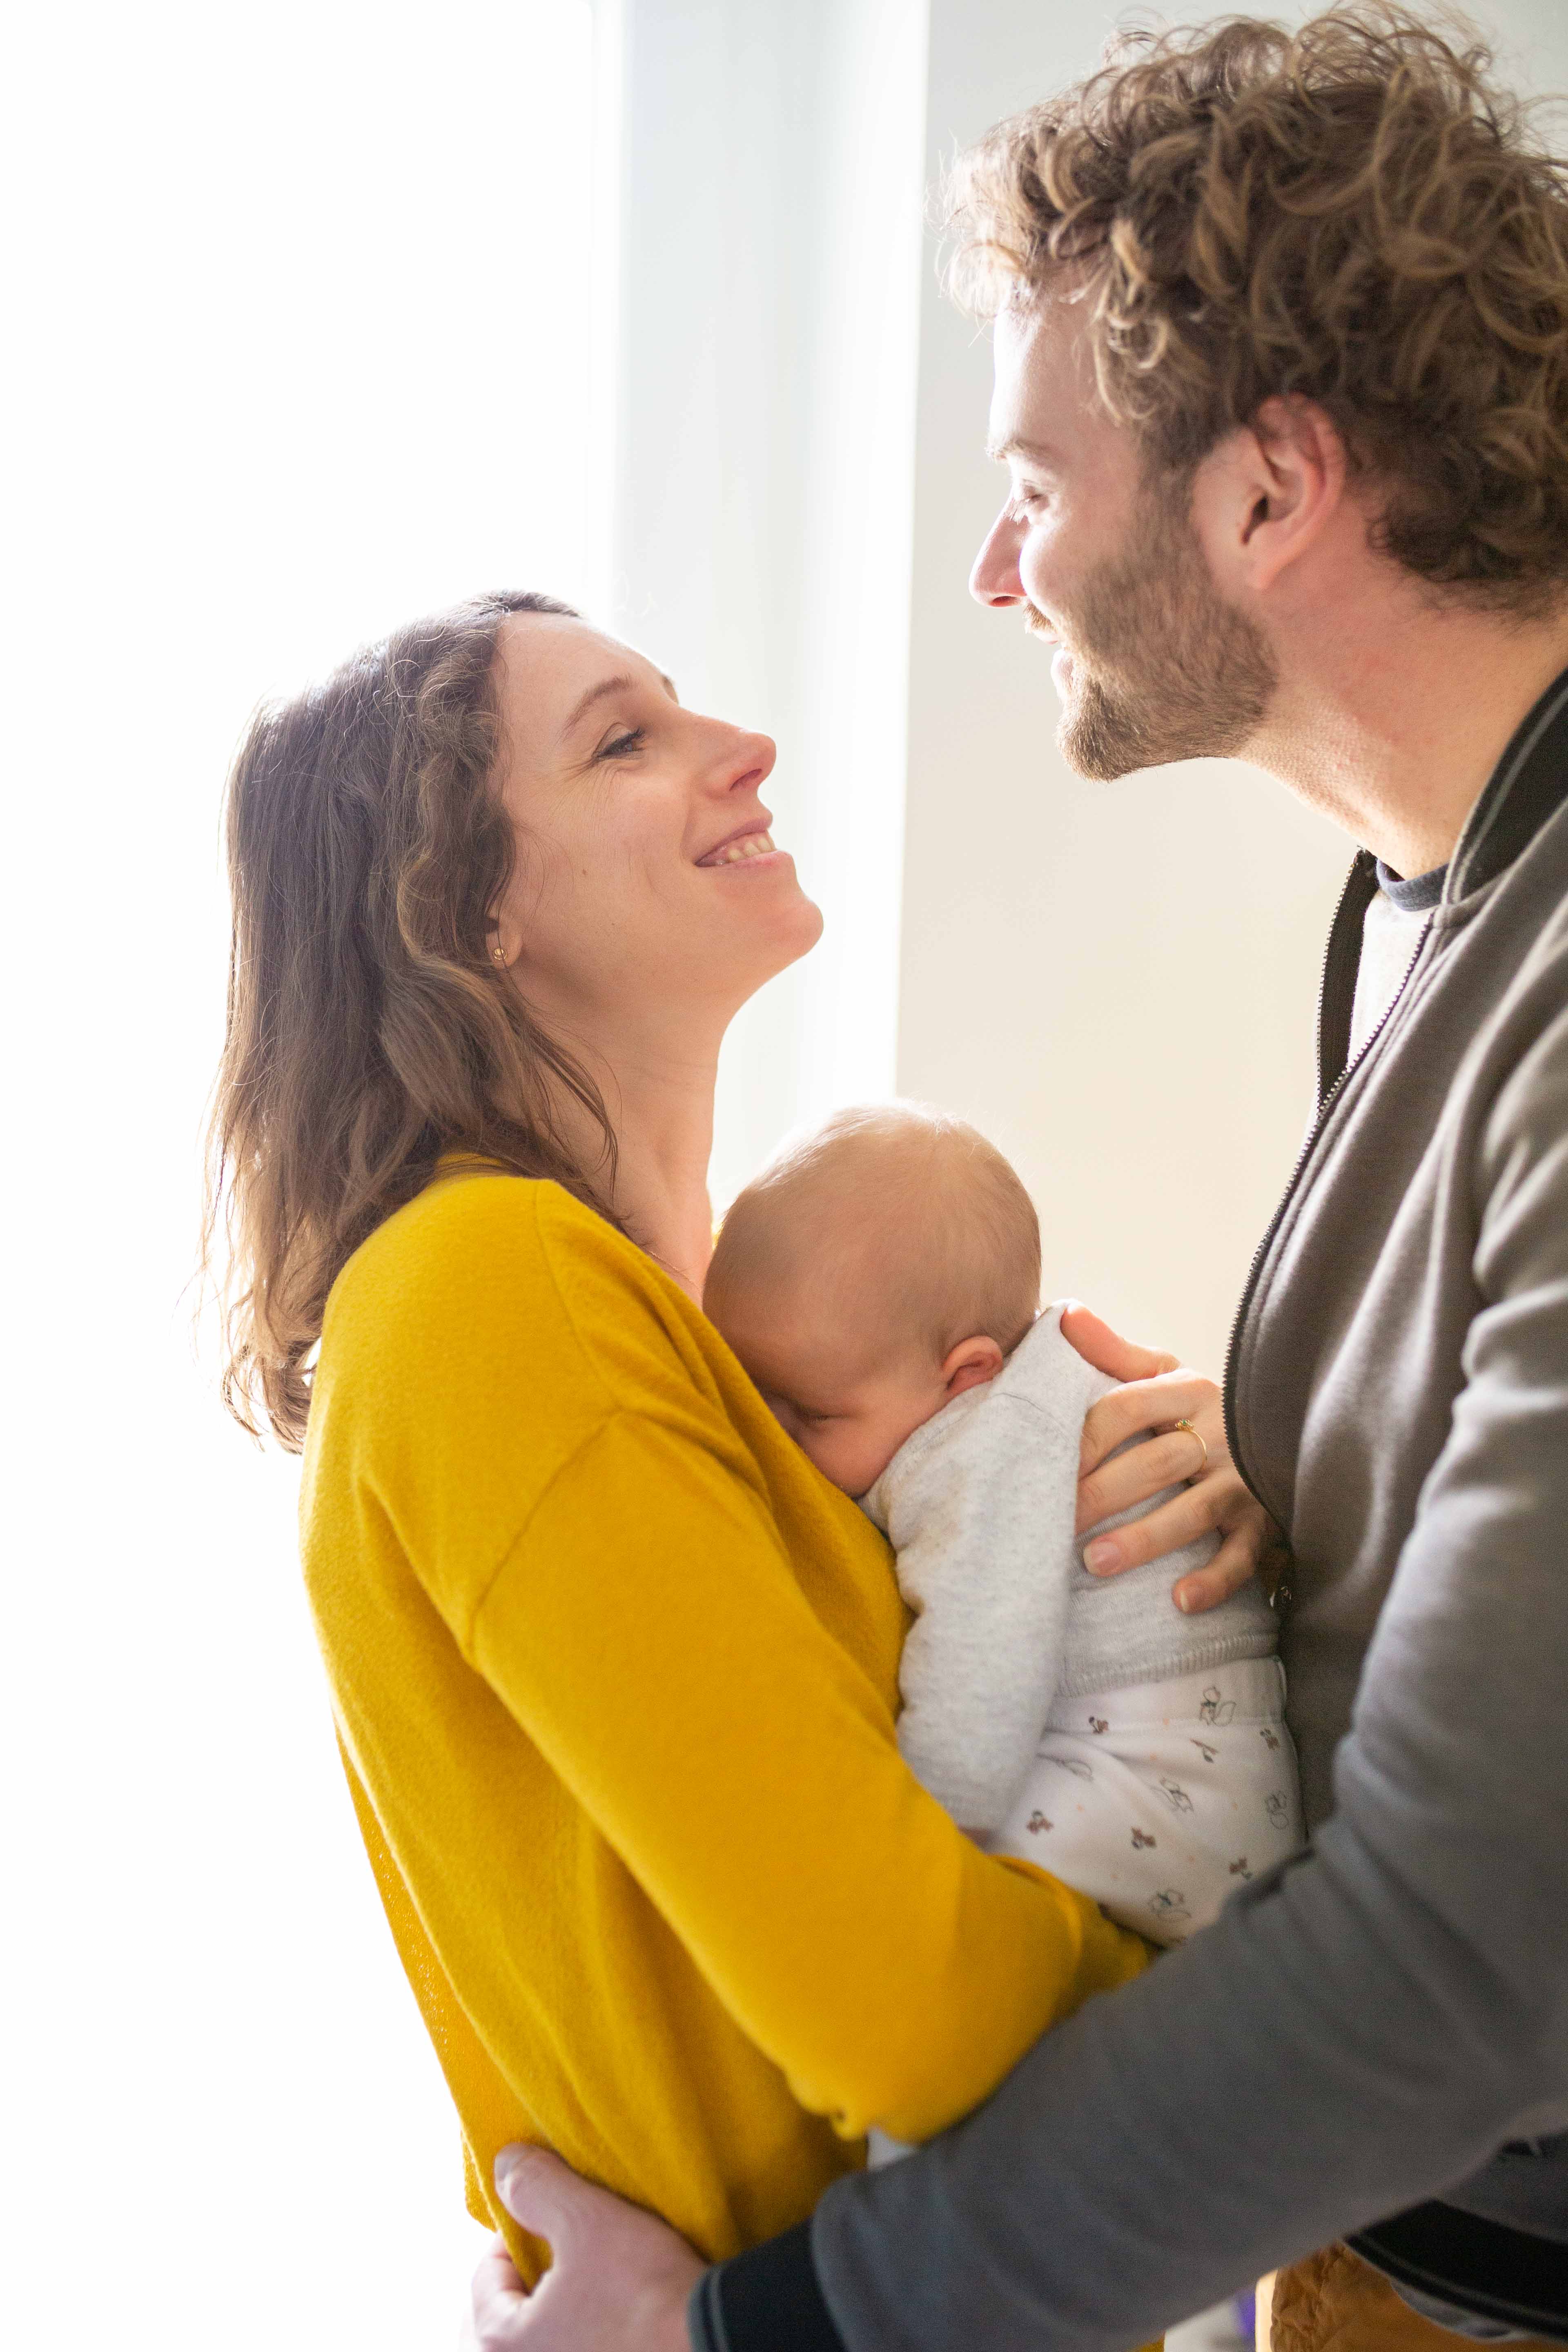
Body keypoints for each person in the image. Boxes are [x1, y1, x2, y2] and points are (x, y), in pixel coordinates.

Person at [470, 9, 1568, 2348]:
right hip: (1372, 2253)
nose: (995, 567)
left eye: (1038, 484)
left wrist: (773, 2331)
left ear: (1270, 495)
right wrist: (1285, 1483)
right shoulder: (1417, 902)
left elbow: (1475, 1955)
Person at [206, 592, 1265, 2291]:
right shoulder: (492, 1292)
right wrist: (1313, 2029)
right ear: (469, 910)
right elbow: (915, 2015)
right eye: (623, 738)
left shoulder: (713, 1342)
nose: (744, 747)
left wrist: (1204, 1487)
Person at [703, 1100, 1300, 1967]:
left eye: (810, 1412)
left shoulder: (984, 1442)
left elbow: (986, 1650)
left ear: (966, 1372)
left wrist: (928, 1822)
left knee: (895, 1911)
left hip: (1169, 1777)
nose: (774, 1432)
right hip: (1212, 1769)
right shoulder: (969, 1389)